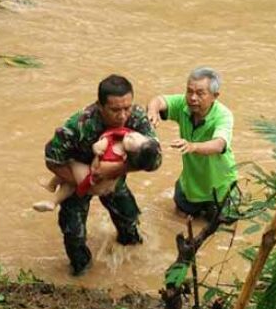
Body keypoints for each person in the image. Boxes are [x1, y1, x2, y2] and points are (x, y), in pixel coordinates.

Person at [44, 74, 162, 275]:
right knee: (74, 235)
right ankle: (83, 274)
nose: (123, 116)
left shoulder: (137, 118)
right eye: (115, 110)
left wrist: (116, 170)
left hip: (114, 178)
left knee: (130, 221)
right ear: (100, 105)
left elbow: (155, 160)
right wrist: (85, 182)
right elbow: (52, 159)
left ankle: (131, 267)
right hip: (78, 176)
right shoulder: (78, 125)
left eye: (127, 108)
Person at [147, 67, 237, 218]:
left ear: (215, 96)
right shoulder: (183, 104)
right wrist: (152, 111)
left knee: (220, 230)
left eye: (200, 93)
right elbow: (159, 100)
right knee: (178, 222)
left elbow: (219, 144)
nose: (193, 98)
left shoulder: (223, 115)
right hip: (190, 187)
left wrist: (192, 146)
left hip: (220, 189)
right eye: (189, 91)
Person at [33, 129, 159, 212]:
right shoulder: (126, 146)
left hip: (94, 182)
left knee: (69, 164)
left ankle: (53, 198)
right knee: (70, 179)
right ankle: (52, 191)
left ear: (127, 156)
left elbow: (95, 169)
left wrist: (97, 153)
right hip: (107, 187)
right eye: (135, 135)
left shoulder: (115, 157)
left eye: (132, 140)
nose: (131, 135)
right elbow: (116, 133)